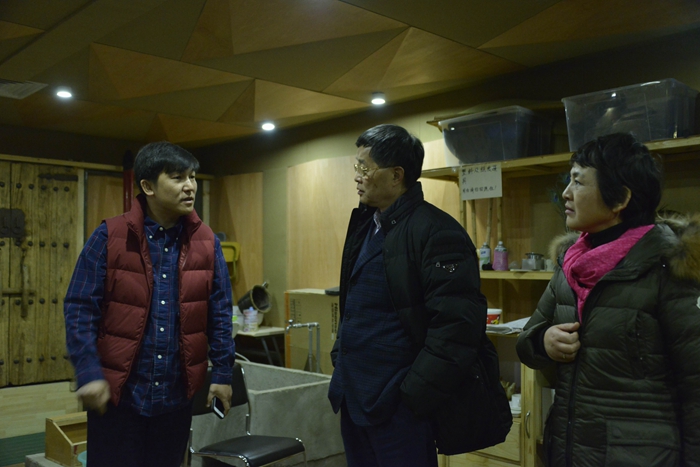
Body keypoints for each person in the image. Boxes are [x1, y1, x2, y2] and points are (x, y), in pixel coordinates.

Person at [516, 133, 700, 466]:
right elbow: (527, 342)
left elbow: (695, 384)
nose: (566, 193)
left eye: (578, 182)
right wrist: (544, 342)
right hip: (570, 451)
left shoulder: (670, 267)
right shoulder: (570, 264)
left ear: (620, 199)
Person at [64, 141, 235, 467]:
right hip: (118, 400)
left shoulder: (207, 243)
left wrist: (223, 374)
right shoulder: (109, 236)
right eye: (178, 178)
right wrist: (87, 371)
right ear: (148, 186)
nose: (190, 186)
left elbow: (220, 314)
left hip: (175, 401)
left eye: (192, 177)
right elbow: (79, 308)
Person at [327, 124, 488, 466]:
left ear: (396, 175)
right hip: (355, 395)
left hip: (398, 406)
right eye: (356, 166)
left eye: (364, 168)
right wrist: (341, 356)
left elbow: (457, 330)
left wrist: (412, 394)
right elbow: (356, 303)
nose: (357, 176)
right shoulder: (367, 224)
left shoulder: (436, 232)